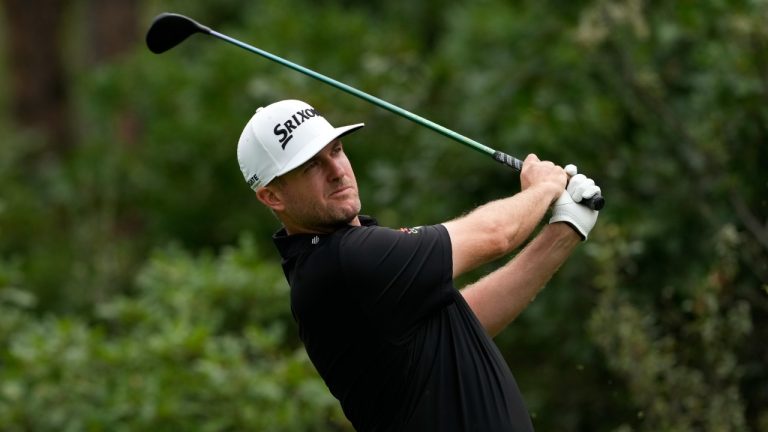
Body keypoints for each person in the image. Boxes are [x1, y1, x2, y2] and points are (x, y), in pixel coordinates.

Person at [237, 99, 601, 431]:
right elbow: (495, 234)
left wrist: (565, 230)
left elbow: (464, 321)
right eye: (311, 165)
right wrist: (543, 188)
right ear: (272, 195)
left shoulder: (338, 264)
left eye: (336, 150)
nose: (337, 171)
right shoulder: (346, 259)